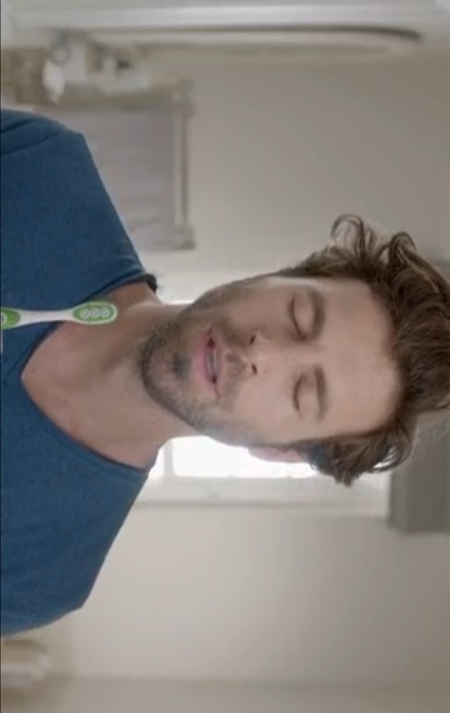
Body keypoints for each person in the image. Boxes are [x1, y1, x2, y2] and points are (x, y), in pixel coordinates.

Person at [1, 109, 449, 637]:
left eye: (302, 391)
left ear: (280, 451)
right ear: (273, 276)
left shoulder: (39, 572)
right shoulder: (39, 167)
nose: (265, 352)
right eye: (298, 315)